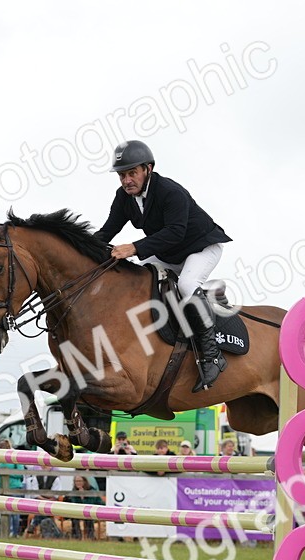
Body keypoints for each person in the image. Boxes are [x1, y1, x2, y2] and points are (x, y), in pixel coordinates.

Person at [93, 140, 232, 392]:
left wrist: (133, 248)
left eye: (132, 173)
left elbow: (176, 232)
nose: (126, 181)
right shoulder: (124, 198)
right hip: (168, 252)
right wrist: (83, 249)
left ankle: (213, 355)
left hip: (201, 247)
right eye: (122, 175)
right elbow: (108, 230)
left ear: (148, 169)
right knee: (140, 278)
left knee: (187, 283)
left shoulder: (170, 191)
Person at [64, 475, 103, 540]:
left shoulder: (91, 490)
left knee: (88, 516)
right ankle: (76, 537)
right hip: (79, 511)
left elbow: (90, 504)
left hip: (94, 510)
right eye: (76, 481)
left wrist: (83, 497)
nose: (78, 483)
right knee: (74, 518)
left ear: (84, 482)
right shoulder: (74, 491)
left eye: (79, 481)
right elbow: (74, 503)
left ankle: (90, 537)